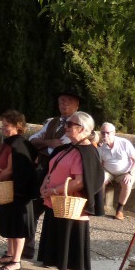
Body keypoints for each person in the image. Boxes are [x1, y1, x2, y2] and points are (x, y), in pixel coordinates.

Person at [38, 112, 104, 270]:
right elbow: (52, 168)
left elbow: (79, 183)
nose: (66, 125)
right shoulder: (68, 147)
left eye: (70, 123)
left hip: (74, 206)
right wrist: (45, 185)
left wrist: (53, 190)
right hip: (58, 202)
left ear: (82, 129)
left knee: (74, 244)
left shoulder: (88, 151)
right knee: (62, 240)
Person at [26, 89, 82, 259]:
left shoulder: (77, 126)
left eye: (68, 101)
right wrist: (49, 143)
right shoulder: (52, 122)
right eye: (61, 101)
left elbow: (62, 147)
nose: (63, 104)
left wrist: (44, 147)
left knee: (56, 214)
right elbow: (32, 140)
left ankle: (54, 254)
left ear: (76, 105)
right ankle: (28, 248)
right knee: (33, 209)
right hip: (44, 171)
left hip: (62, 175)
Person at [0, 111, 38, 270]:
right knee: (10, 225)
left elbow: (10, 169)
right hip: (8, 190)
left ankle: (16, 260)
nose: (3, 128)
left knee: (18, 227)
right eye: (2, 125)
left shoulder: (18, 144)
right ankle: (10, 254)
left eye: (6, 125)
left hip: (19, 192)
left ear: (17, 126)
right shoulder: (10, 142)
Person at [98, 123, 135, 220]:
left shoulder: (124, 143)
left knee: (127, 183)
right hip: (108, 171)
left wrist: (130, 173)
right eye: (103, 133)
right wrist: (102, 175)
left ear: (114, 133)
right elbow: (100, 163)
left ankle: (120, 210)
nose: (105, 136)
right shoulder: (100, 146)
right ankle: (99, 207)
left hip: (125, 171)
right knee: (99, 180)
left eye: (108, 133)